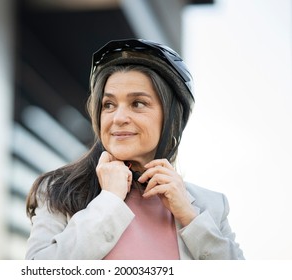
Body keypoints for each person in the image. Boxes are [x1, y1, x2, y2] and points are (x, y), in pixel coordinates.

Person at [25, 38, 244, 260]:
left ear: (171, 118)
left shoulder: (211, 206)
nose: (118, 118)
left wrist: (190, 217)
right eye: (109, 105)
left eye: (138, 103)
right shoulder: (59, 191)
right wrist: (109, 200)